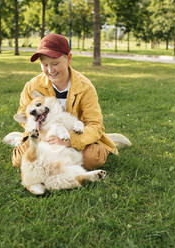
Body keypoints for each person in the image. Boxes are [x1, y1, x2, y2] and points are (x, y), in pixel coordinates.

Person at [12, 33, 118, 170]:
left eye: (55, 64)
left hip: (76, 136)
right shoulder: (33, 86)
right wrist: (43, 132)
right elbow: (23, 115)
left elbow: (95, 124)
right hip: (44, 136)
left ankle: (101, 145)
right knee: (20, 160)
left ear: (69, 59)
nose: (50, 70)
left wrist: (69, 141)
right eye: (44, 65)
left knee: (92, 159)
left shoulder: (85, 87)